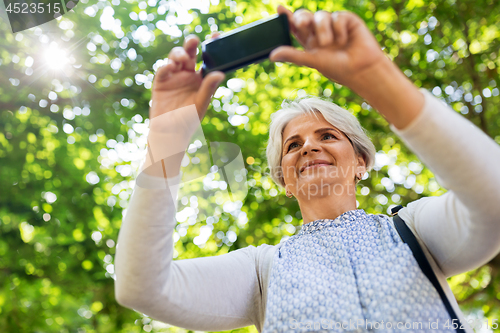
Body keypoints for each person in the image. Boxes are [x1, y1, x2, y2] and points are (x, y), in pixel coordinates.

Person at [114, 4, 500, 333]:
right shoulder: (262, 270)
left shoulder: (414, 231)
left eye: (328, 136)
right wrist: (165, 141)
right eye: (293, 145)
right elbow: (141, 287)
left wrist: (377, 77)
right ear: (284, 179)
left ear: (360, 161)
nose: (309, 146)